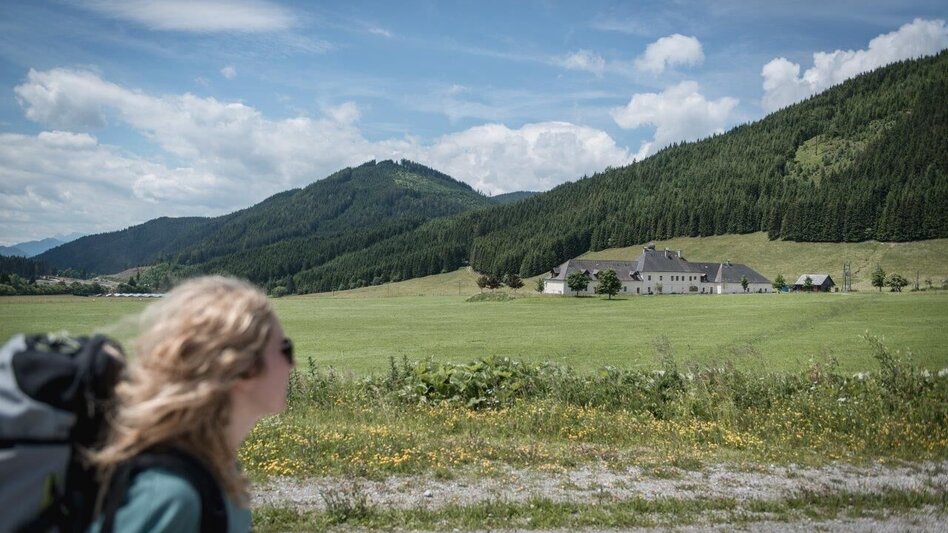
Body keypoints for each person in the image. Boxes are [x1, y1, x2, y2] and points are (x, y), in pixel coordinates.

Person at [88, 276, 294, 532]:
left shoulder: (222, 469)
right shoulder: (172, 497)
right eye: (285, 349)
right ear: (243, 368)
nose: (291, 364)